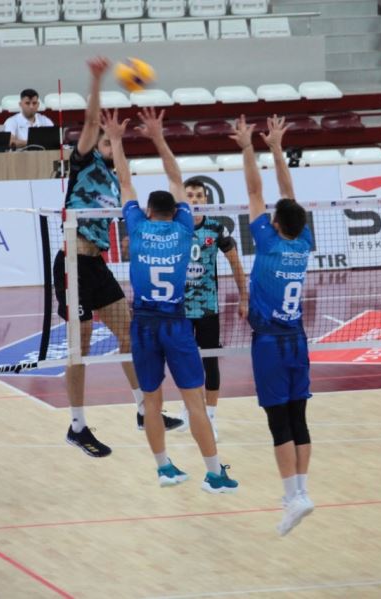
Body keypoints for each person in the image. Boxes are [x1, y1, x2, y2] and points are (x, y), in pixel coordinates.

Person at [52, 57, 182, 458]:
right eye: (105, 141)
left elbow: (125, 178)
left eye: (112, 143)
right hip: (72, 263)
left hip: (96, 265)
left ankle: (145, 410)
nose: (108, 142)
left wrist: (121, 142)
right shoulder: (84, 161)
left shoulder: (112, 176)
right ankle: (77, 426)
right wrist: (95, 79)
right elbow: (91, 124)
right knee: (82, 347)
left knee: (131, 334)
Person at [105, 109, 238, 494]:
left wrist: (116, 139)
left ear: (148, 213)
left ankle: (164, 468)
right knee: (194, 400)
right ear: (177, 212)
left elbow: (124, 179)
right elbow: (178, 179)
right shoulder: (185, 229)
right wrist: (159, 138)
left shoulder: (138, 226)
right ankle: (214, 473)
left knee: (151, 401)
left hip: (143, 324)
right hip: (176, 324)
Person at [231, 114, 315, 535]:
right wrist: (277, 147)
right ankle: (302, 491)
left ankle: (291, 498)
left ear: (275, 225)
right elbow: (287, 194)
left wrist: (248, 147)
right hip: (298, 341)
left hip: (269, 343)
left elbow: (254, 189)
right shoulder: (304, 242)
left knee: (277, 421)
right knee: (298, 416)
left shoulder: (267, 240)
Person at [177, 176, 249, 441]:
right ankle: (188, 410)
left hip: (208, 308)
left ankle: (210, 417)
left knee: (210, 362)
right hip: (181, 310)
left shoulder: (217, 229)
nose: (195, 200)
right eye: (190, 195)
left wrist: (244, 299)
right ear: (183, 199)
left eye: (199, 195)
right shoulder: (175, 228)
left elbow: (235, 265)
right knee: (184, 362)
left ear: (206, 199)